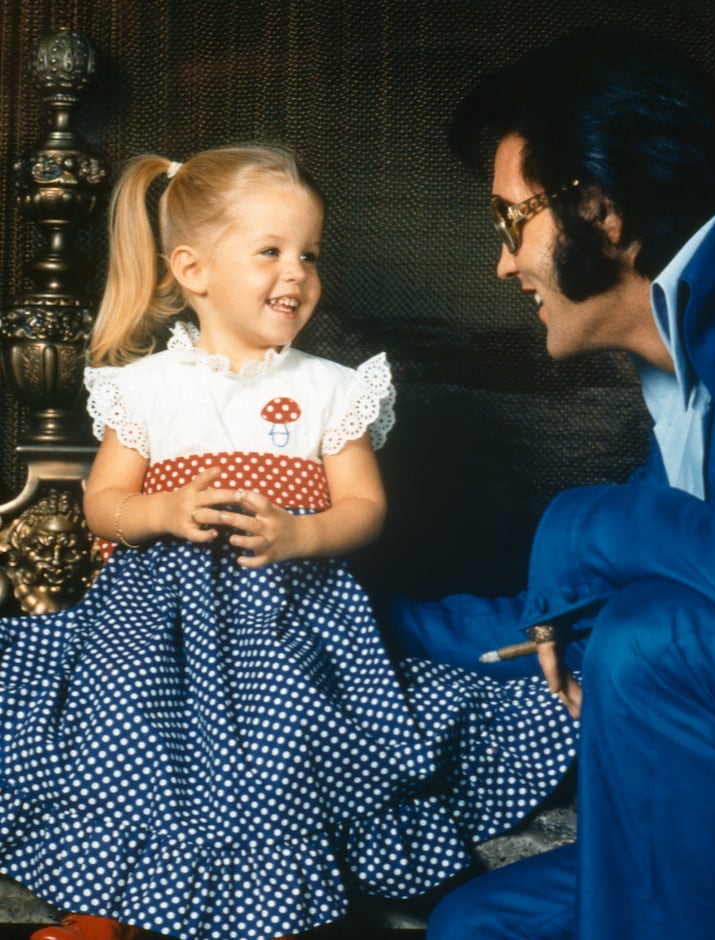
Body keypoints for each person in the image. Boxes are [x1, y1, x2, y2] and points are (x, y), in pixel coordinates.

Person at [0, 143, 579, 940]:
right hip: (154, 624)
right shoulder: (146, 388)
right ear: (193, 270)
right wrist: (161, 514)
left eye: (310, 252)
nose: (298, 272)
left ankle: (278, 903)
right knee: (116, 720)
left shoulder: (330, 388)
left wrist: (300, 532)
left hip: (286, 620)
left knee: (289, 743)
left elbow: (364, 509)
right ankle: (104, 914)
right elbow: (103, 504)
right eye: (270, 251)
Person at [424, 25, 715, 940]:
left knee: (652, 635)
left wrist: (589, 521)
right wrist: (327, 606)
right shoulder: (680, 382)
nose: (504, 264)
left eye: (512, 221)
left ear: (598, 210)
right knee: (480, 928)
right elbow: (561, 610)